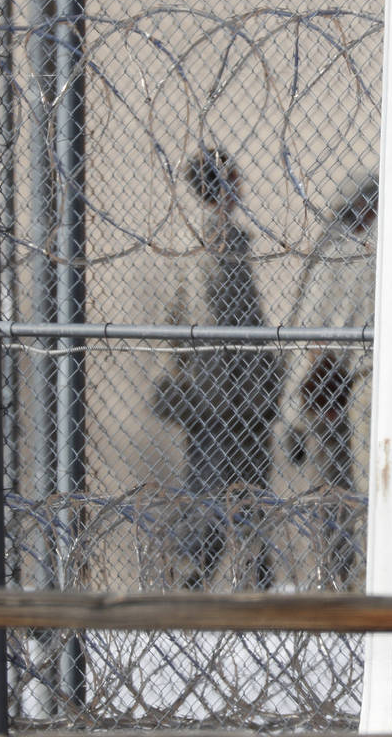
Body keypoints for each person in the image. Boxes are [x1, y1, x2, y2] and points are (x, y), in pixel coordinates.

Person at [151, 147, 284, 591]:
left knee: (244, 499)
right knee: (212, 497)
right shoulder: (211, 248)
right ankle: (194, 582)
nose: (239, 185)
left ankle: (253, 582)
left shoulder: (231, 244)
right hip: (222, 406)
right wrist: (218, 400)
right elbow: (206, 332)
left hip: (244, 402)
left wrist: (266, 381)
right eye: (230, 178)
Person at [282, 172, 379, 590]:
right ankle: (350, 576)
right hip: (340, 389)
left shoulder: (346, 255)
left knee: (350, 492)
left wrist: (293, 418)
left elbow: (312, 338)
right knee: (350, 490)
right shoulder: (352, 252)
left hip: (343, 389)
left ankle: (351, 579)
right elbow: (312, 336)